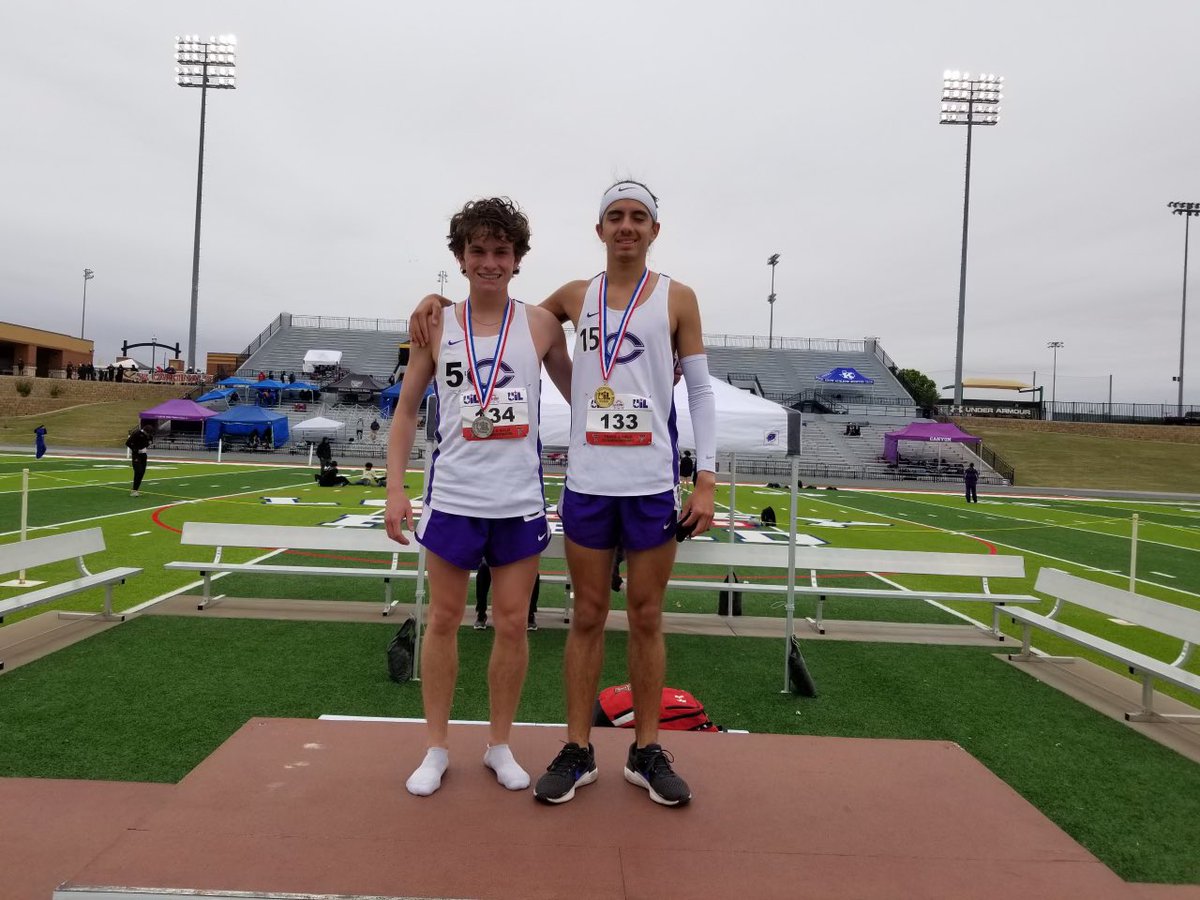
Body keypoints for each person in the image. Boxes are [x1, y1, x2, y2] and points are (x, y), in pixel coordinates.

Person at [408, 179, 717, 807]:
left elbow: (703, 393)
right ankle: (578, 751)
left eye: (638, 218)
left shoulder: (679, 298)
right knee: (587, 615)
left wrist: (705, 477)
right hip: (586, 484)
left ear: (654, 230)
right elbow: (499, 309)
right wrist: (436, 299)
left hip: (653, 481)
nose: (626, 226)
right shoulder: (576, 297)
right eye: (615, 217)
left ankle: (646, 751)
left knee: (648, 617)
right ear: (598, 229)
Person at [384, 197, 571, 798]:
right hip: (454, 496)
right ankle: (436, 746)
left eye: (501, 251)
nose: (489, 262)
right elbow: (408, 409)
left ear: (516, 260)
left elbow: (586, 390)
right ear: (461, 259)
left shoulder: (540, 325)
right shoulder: (435, 324)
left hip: (518, 501)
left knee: (512, 625)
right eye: (478, 251)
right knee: (443, 619)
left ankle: (498, 744)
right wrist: (395, 489)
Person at [475, 559, 541, 631]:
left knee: (532, 572)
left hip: (517, 558)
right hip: (495, 558)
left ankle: (530, 614)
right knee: (483, 568)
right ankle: (481, 613)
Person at [125, 424, 152, 496]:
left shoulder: (148, 435)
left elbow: (149, 442)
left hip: (144, 455)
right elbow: (128, 443)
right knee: (138, 471)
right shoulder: (137, 434)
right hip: (136, 455)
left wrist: (148, 443)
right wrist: (135, 449)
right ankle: (134, 490)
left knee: (142, 472)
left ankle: (135, 490)